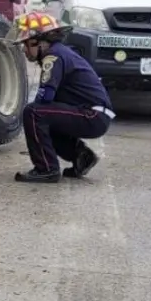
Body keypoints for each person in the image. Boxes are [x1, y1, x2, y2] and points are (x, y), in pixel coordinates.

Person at [11, 10, 114, 183]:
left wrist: (32, 129)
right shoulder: (60, 52)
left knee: (34, 113)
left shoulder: (54, 57)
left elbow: (45, 98)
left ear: (40, 42)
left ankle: (46, 169)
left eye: (26, 43)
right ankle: (82, 156)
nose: (24, 49)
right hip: (97, 115)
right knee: (42, 118)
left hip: (93, 115)